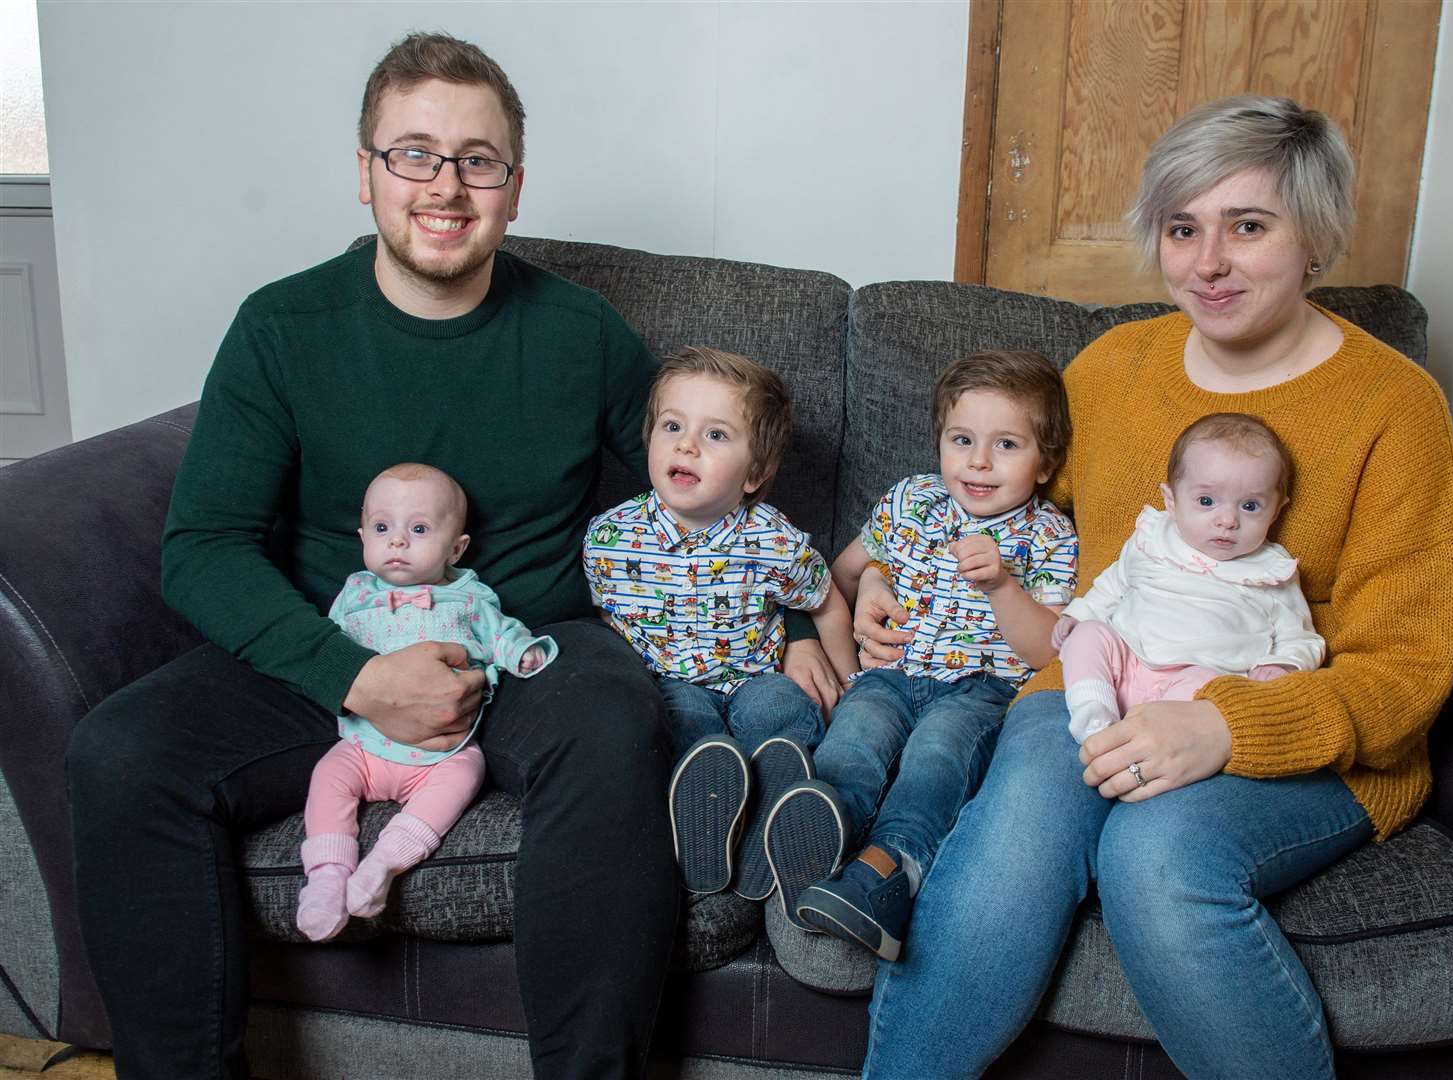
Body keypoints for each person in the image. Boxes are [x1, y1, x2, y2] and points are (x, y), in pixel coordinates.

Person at [63, 32, 840, 1079]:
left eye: (479, 159)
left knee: (619, 725)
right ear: (365, 173)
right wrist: (358, 676)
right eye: (415, 153)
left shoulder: (580, 334)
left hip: (527, 650)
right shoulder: (282, 328)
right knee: (119, 755)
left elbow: (708, 478)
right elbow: (204, 548)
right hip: (323, 646)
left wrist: (801, 618)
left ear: (514, 188)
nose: (446, 186)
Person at [856, 96, 1453, 1078]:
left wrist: (1229, 727)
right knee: (1015, 840)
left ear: (1317, 237)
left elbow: (1408, 671)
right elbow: (988, 502)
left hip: (1294, 722)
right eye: (1184, 229)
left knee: (1154, 858)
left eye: (1249, 227)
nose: (1209, 261)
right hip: (1096, 688)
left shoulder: (1398, 409)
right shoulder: (1112, 370)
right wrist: (882, 573)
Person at [762, 350, 1078, 961]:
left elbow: (1047, 650)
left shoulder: (1050, 535)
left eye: (1007, 444)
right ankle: (810, 841)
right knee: (852, 743)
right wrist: (873, 584)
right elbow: (840, 576)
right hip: (891, 674)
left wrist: (1003, 587)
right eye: (962, 439)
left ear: (1047, 463)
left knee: (935, 759)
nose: (979, 461)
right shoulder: (912, 500)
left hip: (980, 690)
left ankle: (886, 874)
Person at [583, 346, 859, 900]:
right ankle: (707, 823)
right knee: (682, 725)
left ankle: (773, 819)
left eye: (715, 436)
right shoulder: (610, 538)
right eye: (672, 425)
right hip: (670, 681)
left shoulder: (773, 539)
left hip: (755, 674)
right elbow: (605, 621)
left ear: (755, 474)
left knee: (782, 709)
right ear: (649, 439)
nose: (685, 444)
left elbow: (824, 599)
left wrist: (853, 682)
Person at [298, 462, 555, 943]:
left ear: (455, 547)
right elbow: (325, 649)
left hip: (441, 754)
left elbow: (501, 635)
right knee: (327, 777)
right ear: (362, 537)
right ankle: (328, 875)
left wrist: (522, 653)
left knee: (465, 775)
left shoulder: (470, 598)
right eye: (381, 528)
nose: (397, 541)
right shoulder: (354, 595)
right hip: (363, 746)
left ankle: (384, 864)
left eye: (418, 529)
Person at [1058, 412, 1324, 745]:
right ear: (1171, 500)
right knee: (1087, 636)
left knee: (1213, 689)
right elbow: (1113, 584)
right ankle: (1094, 716)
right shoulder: (1152, 538)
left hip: (1195, 684)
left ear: (1277, 509)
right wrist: (1080, 613)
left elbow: (1299, 637)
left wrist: (1283, 665)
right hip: (1127, 660)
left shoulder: (1270, 571)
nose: (1227, 520)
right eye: (1206, 501)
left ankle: (1151, 740)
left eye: (1251, 506)